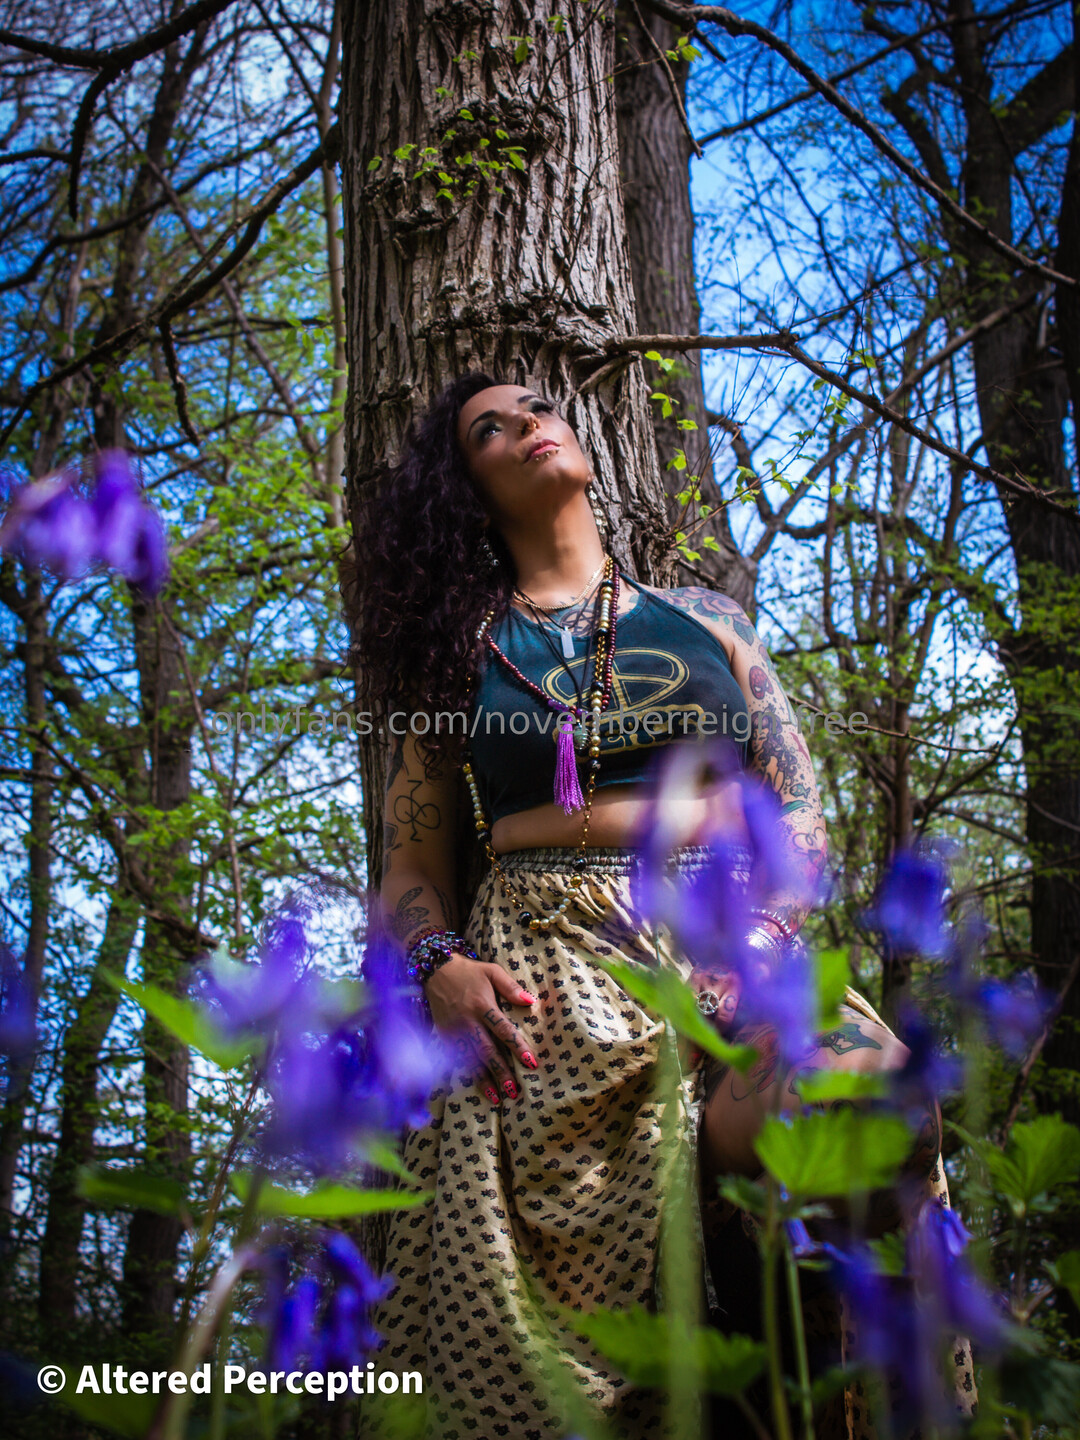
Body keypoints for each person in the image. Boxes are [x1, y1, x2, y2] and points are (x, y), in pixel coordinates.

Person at [352, 375, 970, 1440]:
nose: (525, 425)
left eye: (536, 408)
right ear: (468, 488)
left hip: (727, 944)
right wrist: (439, 967)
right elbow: (410, 864)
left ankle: (829, 1378)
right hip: (545, 982)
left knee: (879, 1104)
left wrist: (761, 945)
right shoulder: (460, 653)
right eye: (489, 429)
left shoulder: (709, 620)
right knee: (534, 1344)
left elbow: (800, 817)